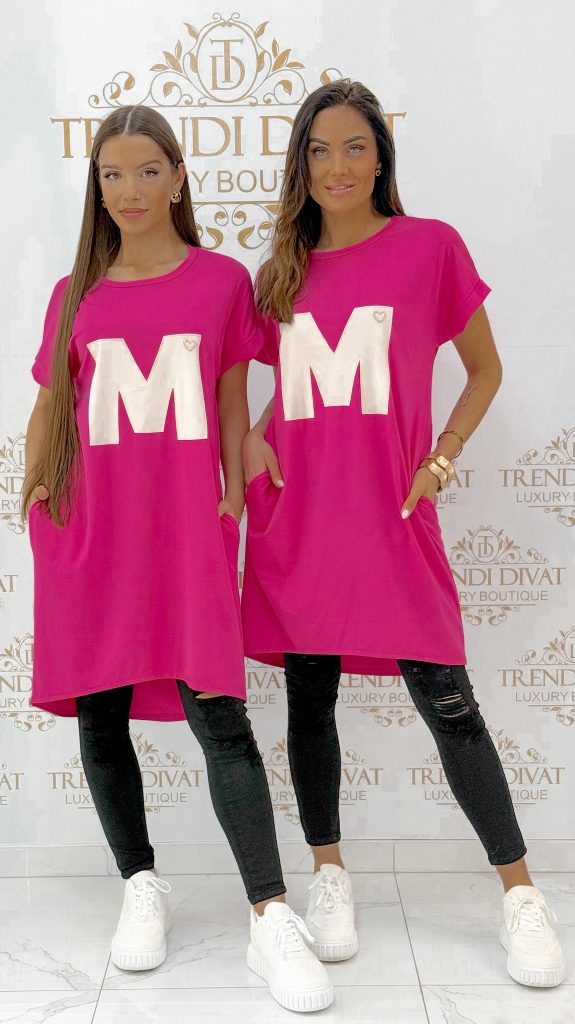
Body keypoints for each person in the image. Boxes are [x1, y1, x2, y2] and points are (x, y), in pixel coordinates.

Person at [241, 79, 565, 989]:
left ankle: (519, 894)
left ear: (381, 156)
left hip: (391, 513)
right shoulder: (281, 272)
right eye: (318, 150)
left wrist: (442, 458)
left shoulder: (429, 248)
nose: (336, 166)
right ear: (300, 165)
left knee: (447, 700)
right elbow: (281, 396)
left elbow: (483, 369)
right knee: (310, 697)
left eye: (354, 147)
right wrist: (256, 440)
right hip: (300, 516)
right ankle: (329, 874)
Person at [23, 104, 334, 1013]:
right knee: (101, 710)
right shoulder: (75, 292)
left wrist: (234, 484)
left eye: (147, 170)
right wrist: (35, 494)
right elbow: (51, 404)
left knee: (218, 714)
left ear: (177, 178)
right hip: (90, 525)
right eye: (111, 174)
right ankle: (139, 883)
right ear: (97, 185)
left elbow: (232, 396)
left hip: (185, 525)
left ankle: (269, 914)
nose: (129, 190)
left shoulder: (220, 281)